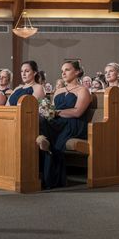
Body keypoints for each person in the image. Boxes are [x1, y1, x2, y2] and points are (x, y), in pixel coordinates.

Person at [37, 60, 91, 189]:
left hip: (74, 124)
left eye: (67, 70)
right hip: (58, 122)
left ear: (77, 72)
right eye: (62, 71)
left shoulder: (83, 90)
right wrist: (47, 111)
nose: (63, 73)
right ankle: (43, 143)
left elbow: (77, 112)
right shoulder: (58, 91)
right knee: (40, 120)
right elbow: (51, 110)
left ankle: (44, 142)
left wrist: (56, 113)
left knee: (44, 125)